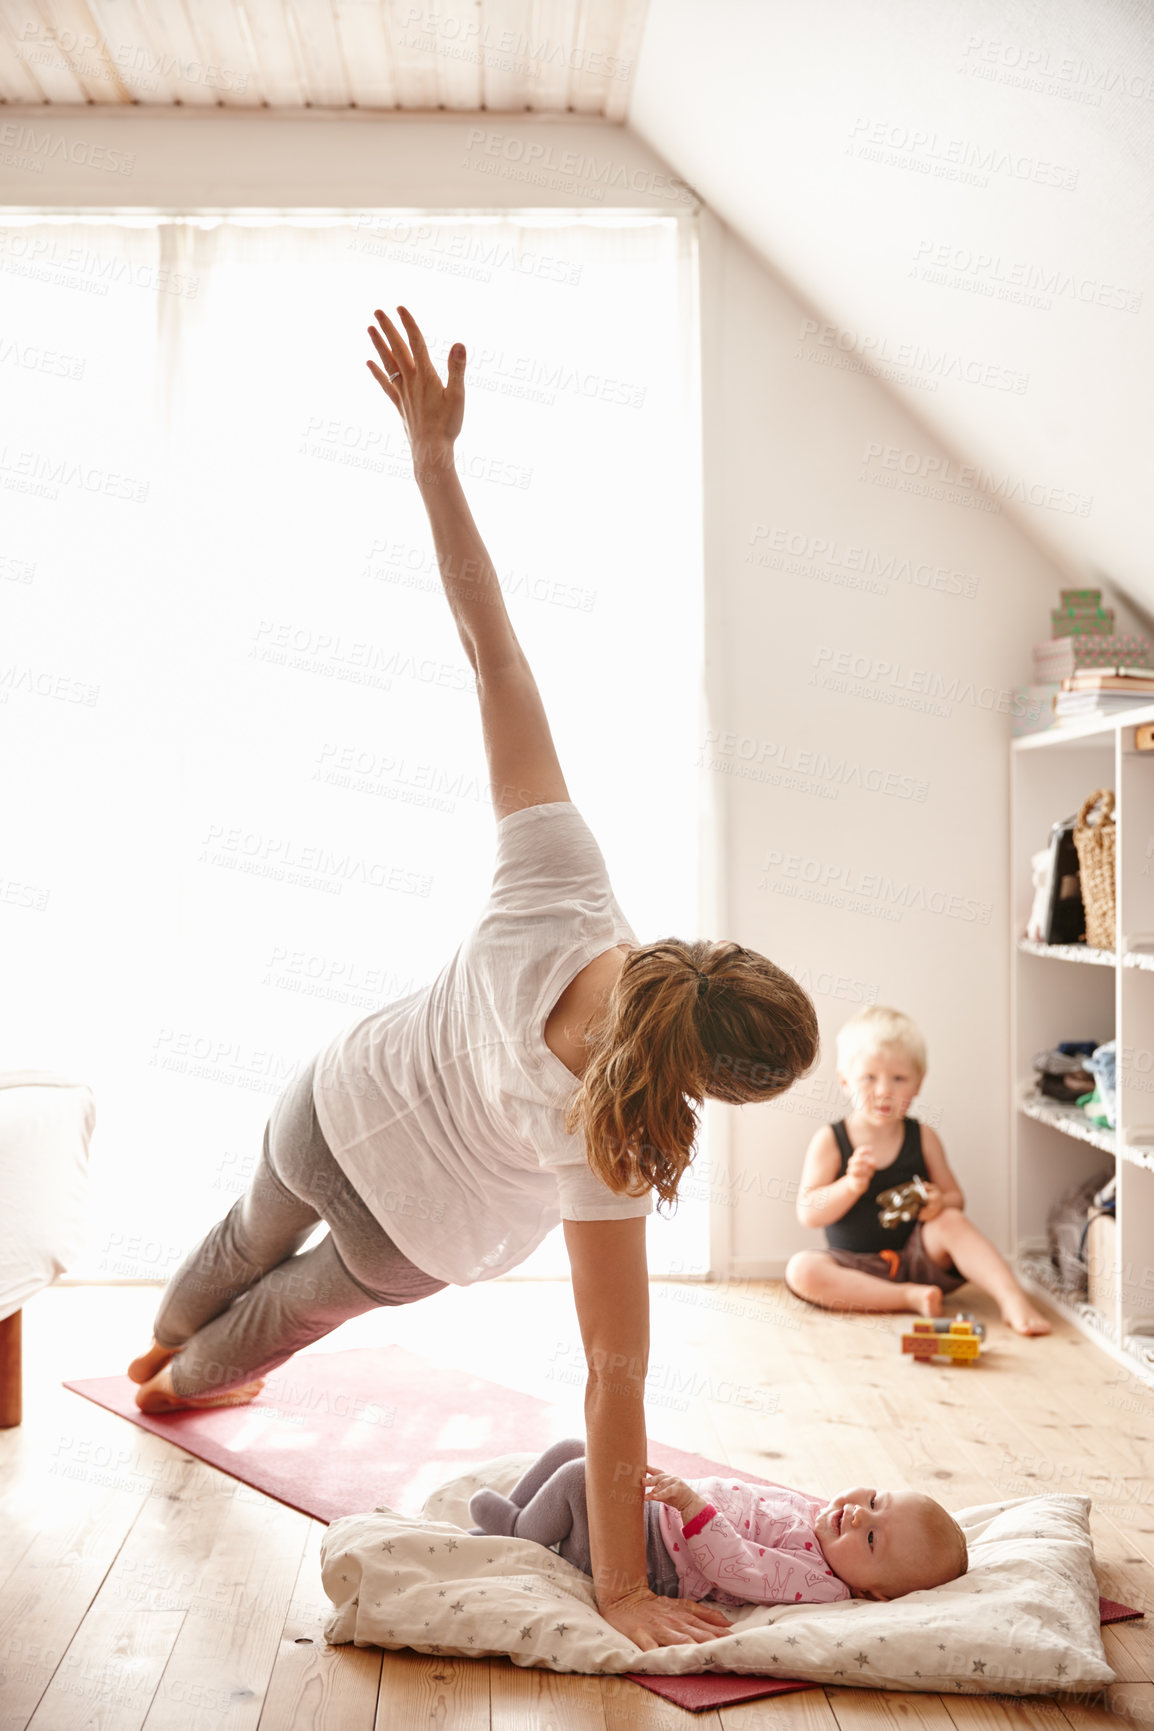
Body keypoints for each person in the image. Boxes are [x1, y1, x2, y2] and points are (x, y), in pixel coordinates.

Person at [125, 305, 821, 1652]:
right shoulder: (612, 1138)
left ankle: (158, 1335)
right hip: (412, 1232)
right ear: (703, 1083)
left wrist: (432, 454)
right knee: (273, 1317)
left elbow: (491, 648)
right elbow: (613, 1373)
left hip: (326, 1101)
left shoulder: (562, 878)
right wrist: (620, 1587)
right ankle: (184, 1380)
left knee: (237, 1234)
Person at [785, 1005, 1051, 1335]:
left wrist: (940, 1202)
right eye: (869, 1078)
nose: (884, 1091)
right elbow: (809, 1212)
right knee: (803, 1270)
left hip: (917, 1259)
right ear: (844, 1082)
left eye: (899, 1079)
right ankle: (908, 1297)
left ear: (918, 1084)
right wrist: (850, 1186)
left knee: (952, 1222)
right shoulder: (831, 1139)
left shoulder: (923, 1137)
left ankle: (1012, 1298)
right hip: (852, 1266)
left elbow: (955, 1199)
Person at [467, 1438, 967, 1604]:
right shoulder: (820, 1518)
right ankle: (517, 1520)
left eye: (873, 1536)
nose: (859, 1513)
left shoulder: (819, 1582)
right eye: (876, 1499)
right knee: (580, 1449)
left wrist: (688, 1505)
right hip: (651, 1520)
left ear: (873, 1592)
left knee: (580, 1480)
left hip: (644, 1561)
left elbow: (740, 1569)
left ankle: (515, 1536)